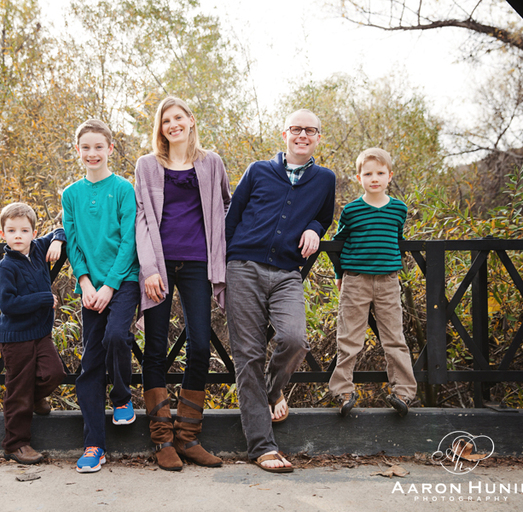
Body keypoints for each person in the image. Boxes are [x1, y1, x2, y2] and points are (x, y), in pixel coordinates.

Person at [225, 109, 336, 473]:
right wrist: (222, 270)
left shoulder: (324, 179)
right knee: (248, 356)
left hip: (287, 272)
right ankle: (262, 446)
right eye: (296, 129)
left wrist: (316, 229)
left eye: (310, 130)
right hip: (243, 268)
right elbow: (233, 215)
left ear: (318, 138)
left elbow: (324, 215)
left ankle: (272, 390)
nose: (303, 135)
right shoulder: (258, 171)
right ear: (284, 134)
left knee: (294, 339)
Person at [135, 96, 231, 471]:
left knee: (200, 345)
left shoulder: (212, 163)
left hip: (197, 264)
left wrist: (222, 249)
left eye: (179, 118)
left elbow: (225, 205)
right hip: (158, 264)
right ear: (160, 128)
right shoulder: (146, 165)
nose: (173, 124)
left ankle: (188, 437)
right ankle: (162, 441)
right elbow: (142, 218)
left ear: (191, 121)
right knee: (155, 348)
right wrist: (149, 269)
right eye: (165, 120)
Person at [62, 119, 141, 474]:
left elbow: (129, 242)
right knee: (90, 365)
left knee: (116, 336)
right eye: (85, 147)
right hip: (90, 288)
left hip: (123, 282)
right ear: (77, 151)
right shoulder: (70, 194)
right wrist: (86, 283)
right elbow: (73, 241)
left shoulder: (124, 189)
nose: (92, 153)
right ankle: (94, 444)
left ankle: (122, 397)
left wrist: (109, 285)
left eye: (99, 147)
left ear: (111, 149)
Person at [328, 147, 418, 418]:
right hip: (356, 280)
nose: (374, 178)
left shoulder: (398, 209)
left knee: (394, 337)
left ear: (389, 176)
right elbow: (338, 244)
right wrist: (339, 275)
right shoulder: (352, 210)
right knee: (349, 337)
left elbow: (396, 240)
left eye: (380, 173)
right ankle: (343, 391)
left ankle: (403, 392)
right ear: (359, 178)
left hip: (388, 281)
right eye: (368, 174)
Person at [0, 202, 66, 465]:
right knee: (18, 390)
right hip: (16, 338)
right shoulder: (7, 267)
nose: (18, 236)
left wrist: (57, 241)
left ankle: (36, 397)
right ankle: (16, 444)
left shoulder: (38, 250)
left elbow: (61, 230)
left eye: (24, 231)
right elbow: (8, 305)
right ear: (2, 234)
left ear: (33, 234)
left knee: (55, 373)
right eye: (11, 230)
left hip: (41, 334)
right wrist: (43, 299)